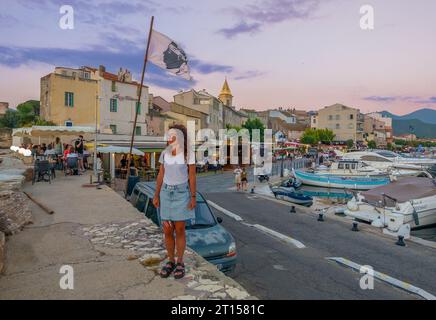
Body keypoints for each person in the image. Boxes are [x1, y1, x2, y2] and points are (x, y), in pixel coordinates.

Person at [153, 124, 196, 280]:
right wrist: (156, 194)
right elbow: (161, 174)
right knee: (167, 230)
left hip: (181, 193)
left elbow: (192, 176)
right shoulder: (165, 153)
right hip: (165, 193)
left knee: (179, 230)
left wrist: (193, 197)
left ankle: (180, 262)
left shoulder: (188, 154)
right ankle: (170, 261)